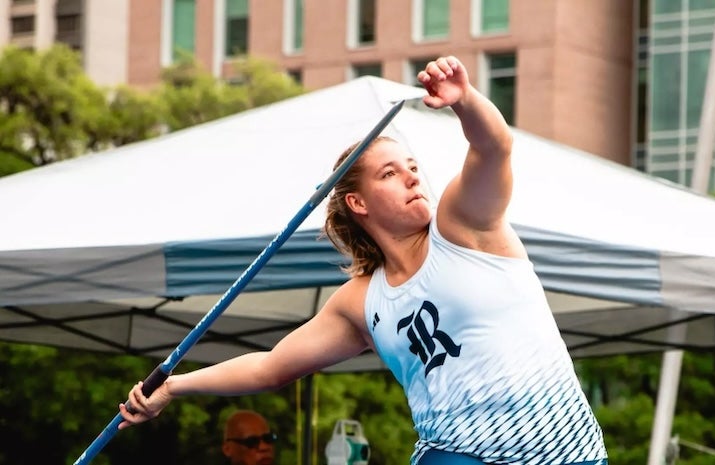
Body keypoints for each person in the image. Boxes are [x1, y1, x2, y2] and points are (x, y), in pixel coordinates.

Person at [119, 56, 608, 465]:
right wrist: (174, 386)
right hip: (458, 454)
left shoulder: (462, 227)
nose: (414, 179)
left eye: (414, 168)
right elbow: (271, 367)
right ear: (358, 203)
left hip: (566, 449)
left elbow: (494, 147)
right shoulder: (360, 302)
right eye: (391, 174)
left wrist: (465, 100)